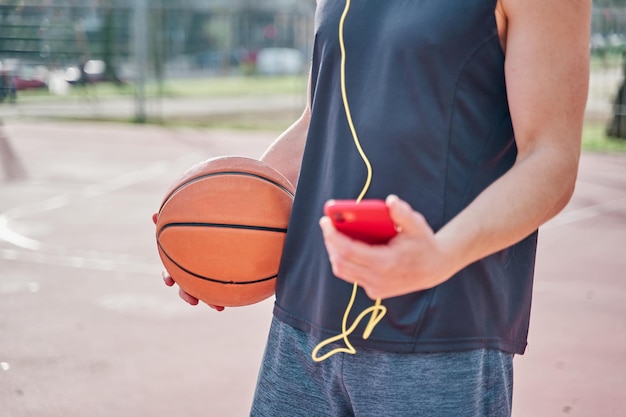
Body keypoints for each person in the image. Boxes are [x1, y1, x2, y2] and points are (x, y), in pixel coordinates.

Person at [157, 0, 591, 415]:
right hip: (306, 321)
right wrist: (223, 220)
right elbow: (320, 118)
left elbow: (550, 161)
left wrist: (440, 256)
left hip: (441, 332)